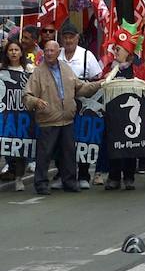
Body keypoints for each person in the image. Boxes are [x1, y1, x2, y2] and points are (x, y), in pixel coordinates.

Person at [23, 41, 100, 195]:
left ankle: (70, 182)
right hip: (48, 119)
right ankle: (41, 184)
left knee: (69, 153)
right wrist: (35, 101)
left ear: (59, 52)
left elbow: (81, 87)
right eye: (46, 51)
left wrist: (98, 84)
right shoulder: (38, 72)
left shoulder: (66, 69)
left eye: (52, 50)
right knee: (44, 155)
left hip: (67, 119)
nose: (49, 53)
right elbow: (27, 95)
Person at [100, 31, 145, 191]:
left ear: (128, 53)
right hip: (113, 115)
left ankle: (129, 177)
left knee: (131, 145)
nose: (115, 52)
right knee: (113, 145)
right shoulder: (109, 68)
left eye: (119, 49)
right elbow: (101, 85)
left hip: (131, 115)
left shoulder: (137, 69)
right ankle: (114, 177)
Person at [1, 40, 32, 189]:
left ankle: (19, 178)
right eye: (10, 50)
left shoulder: (29, 70)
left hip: (22, 115)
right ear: (6, 53)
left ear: (21, 52)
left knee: (21, 147)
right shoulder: (1, 71)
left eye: (16, 49)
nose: (13, 52)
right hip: (4, 115)